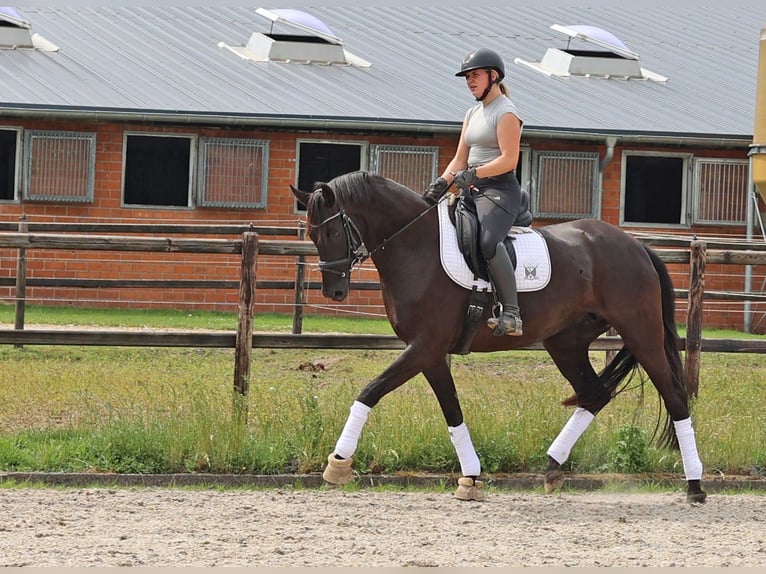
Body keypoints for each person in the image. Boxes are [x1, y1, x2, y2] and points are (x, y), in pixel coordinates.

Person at [424, 47, 524, 336]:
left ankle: (513, 313)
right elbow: (459, 159)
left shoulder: (506, 112)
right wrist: (441, 183)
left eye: (475, 75)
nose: (470, 81)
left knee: (489, 241)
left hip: (499, 190)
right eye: (467, 77)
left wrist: (475, 173)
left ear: (493, 76)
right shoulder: (472, 113)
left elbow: (509, 159)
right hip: (470, 187)